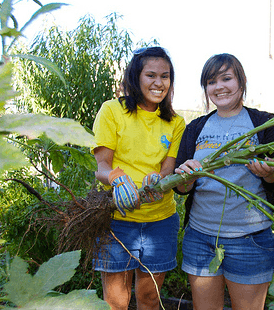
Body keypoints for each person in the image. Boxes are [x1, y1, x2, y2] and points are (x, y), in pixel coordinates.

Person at [173, 53, 274, 310]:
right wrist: (186, 177)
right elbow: (181, 187)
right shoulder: (196, 128)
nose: (219, 86)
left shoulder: (264, 124)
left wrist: (267, 172)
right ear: (206, 88)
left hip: (250, 239)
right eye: (212, 82)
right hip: (200, 237)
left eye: (226, 78)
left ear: (241, 81)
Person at [91, 46, 185, 310]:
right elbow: (101, 166)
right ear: (136, 77)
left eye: (165, 76)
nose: (159, 83)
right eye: (151, 75)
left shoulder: (176, 123)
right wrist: (116, 178)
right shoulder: (112, 110)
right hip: (117, 220)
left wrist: (159, 179)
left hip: (160, 221)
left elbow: (168, 168)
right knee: (116, 302)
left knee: (149, 298)